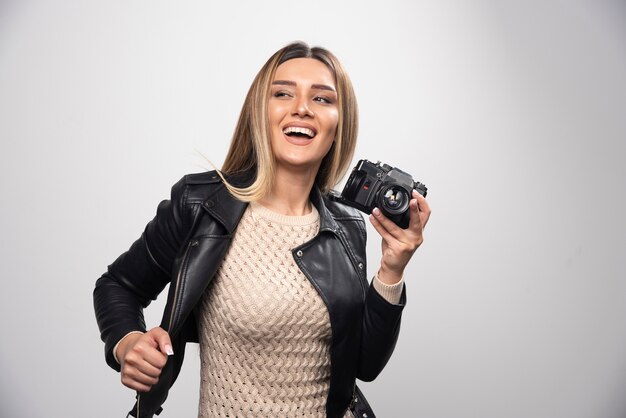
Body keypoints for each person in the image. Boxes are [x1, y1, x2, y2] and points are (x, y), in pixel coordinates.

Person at [94, 41, 431, 418]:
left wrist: (392, 270)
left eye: (322, 99)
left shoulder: (349, 225)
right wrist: (127, 343)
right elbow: (118, 286)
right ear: (260, 113)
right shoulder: (201, 207)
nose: (301, 107)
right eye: (283, 93)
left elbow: (365, 365)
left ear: (339, 126)